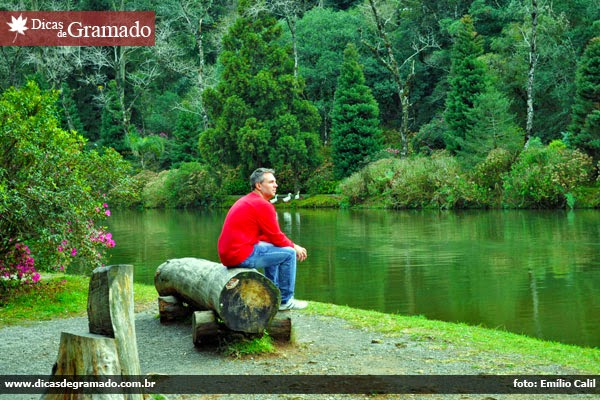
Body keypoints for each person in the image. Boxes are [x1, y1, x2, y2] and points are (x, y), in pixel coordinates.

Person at [218, 168, 308, 310]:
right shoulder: (262, 204)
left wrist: (288, 244)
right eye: (271, 182)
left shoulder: (249, 200)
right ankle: (285, 301)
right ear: (259, 186)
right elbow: (276, 237)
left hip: (230, 255)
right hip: (239, 255)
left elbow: (269, 237)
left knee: (275, 249)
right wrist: (294, 246)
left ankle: (272, 294)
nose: (276, 185)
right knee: (289, 254)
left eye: (275, 182)